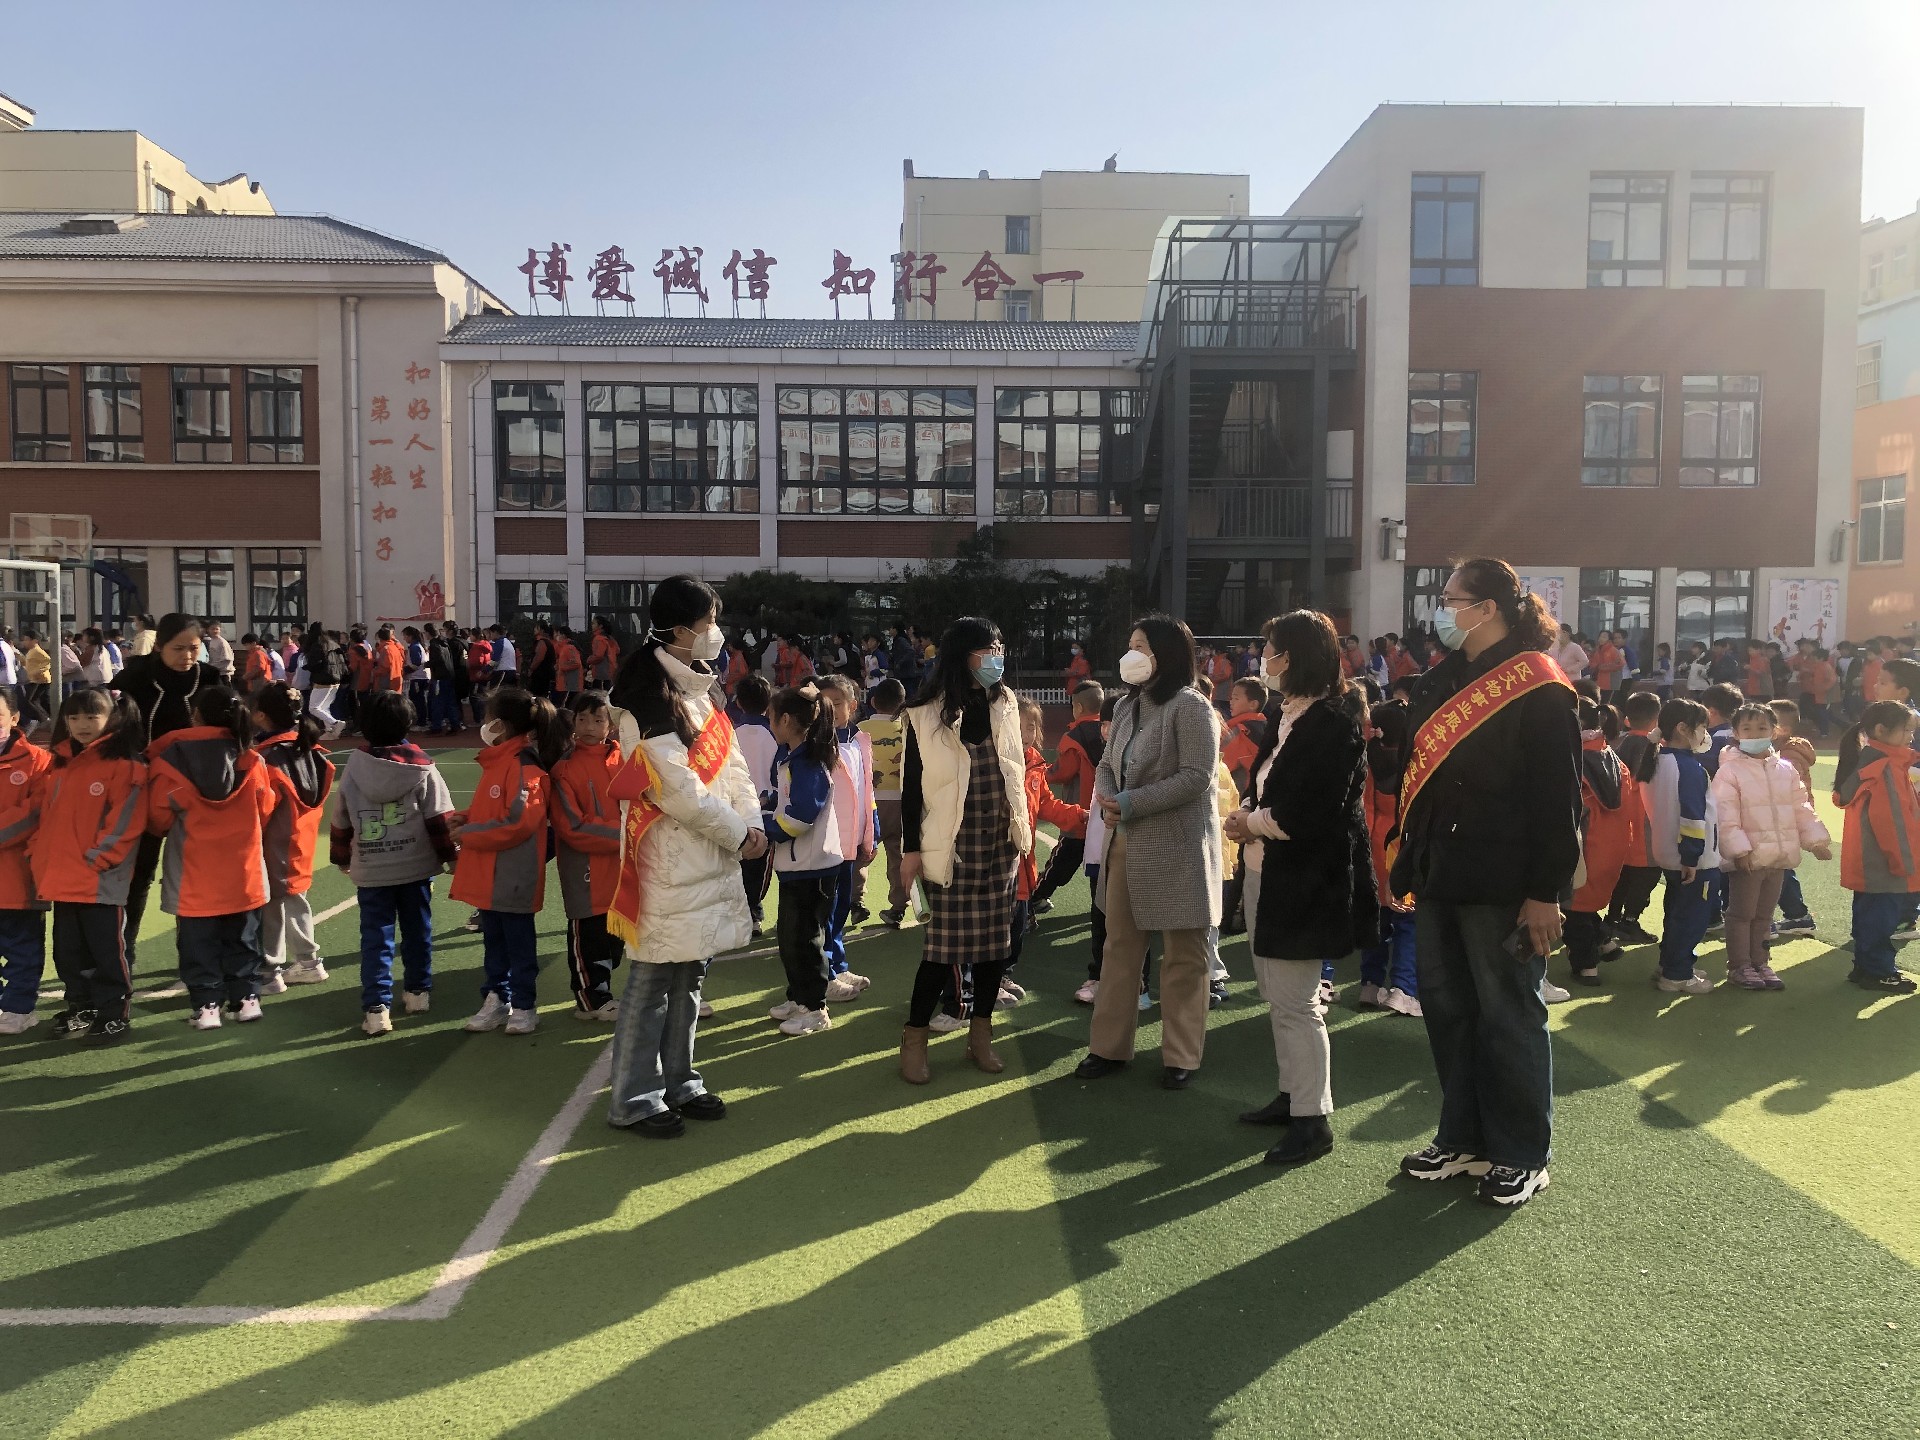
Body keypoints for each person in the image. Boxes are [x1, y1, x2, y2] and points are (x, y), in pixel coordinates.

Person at [1391, 559, 1580, 1209]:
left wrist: (1545, 892)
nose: (1441, 611)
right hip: (1440, 874)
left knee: (1509, 1016)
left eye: (1451, 600)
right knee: (1449, 1012)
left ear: (1488, 607)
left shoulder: (1540, 686)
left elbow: (1559, 801)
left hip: (1505, 882)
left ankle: (1523, 1153)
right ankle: (1463, 1138)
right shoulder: (1440, 680)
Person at [604, 574, 763, 1137]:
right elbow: (676, 791)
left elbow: (735, 767)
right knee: (652, 981)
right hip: (668, 861)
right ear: (678, 630)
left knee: (691, 975)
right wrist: (738, 834)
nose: (716, 632)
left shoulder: (703, 690)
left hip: (711, 853)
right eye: (708, 623)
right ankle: (633, 1098)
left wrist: (750, 821)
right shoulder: (643, 700)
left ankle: (680, 1081)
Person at [1224, 611, 1375, 1165]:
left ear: (1294, 656)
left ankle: (1313, 1120)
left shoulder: (1332, 723)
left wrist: (1251, 822)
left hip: (1306, 880)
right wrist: (1248, 813)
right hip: (1269, 872)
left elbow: (1313, 812)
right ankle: (1293, 1096)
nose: (1263, 658)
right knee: (1277, 994)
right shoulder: (1289, 714)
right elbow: (1267, 786)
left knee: (1297, 1002)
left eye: (1271, 649)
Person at [1075, 613, 1221, 1090]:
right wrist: (1109, 798)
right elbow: (1107, 765)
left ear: (1166, 653)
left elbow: (1197, 777)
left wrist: (1130, 802)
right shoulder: (1125, 706)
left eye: (1140, 646)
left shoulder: (1191, 706)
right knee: (1119, 949)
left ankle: (1182, 1055)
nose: (1131, 654)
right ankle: (1108, 1047)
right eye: (1131, 644)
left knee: (1183, 956)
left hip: (1178, 849)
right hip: (1126, 844)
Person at [897, 616, 1031, 1085]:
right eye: (988, 649)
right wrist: (910, 850)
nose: (997, 657)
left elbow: (1014, 767)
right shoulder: (923, 713)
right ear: (963, 655)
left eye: (1000, 647)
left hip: (1000, 844)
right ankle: (914, 1039)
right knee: (941, 951)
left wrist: (1021, 827)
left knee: (995, 950)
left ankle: (981, 1036)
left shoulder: (1005, 701)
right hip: (949, 845)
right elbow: (911, 788)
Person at [146, 684, 281, 1030]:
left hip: (193, 870)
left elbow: (159, 816)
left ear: (196, 716)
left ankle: (206, 1005)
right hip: (243, 868)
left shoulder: (170, 760)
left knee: (197, 943)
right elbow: (265, 807)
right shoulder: (251, 758)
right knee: (244, 938)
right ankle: (247, 999)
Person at [330, 691, 457, 1035]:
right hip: (415, 866)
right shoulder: (423, 766)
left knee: (376, 938)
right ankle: (417, 992)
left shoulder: (355, 766)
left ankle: (376, 1007)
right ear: (408, 722)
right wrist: (451, 857)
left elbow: (341, 817)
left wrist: (342, 856)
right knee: (418, 932)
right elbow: (440, 818)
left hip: (372, 867)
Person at [30, 690, 147, 1044]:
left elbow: (126, 821)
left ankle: (114, 1013)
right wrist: (38, 852)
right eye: (74, 717)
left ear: (112, 718)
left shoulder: (126, 766)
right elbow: (48, 818)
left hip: (99, 880)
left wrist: (101, 857)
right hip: (61, 876)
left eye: (92, 716)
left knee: (107, 953)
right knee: (68, 953)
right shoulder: (62, 765)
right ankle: (81, 1007)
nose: (81, 725)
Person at [113, 613, 227, 975]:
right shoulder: (133, 677)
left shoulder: (210, 679)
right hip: (143, 790)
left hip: (197, 793)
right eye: (178, 648)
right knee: (139, 874)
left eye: (194, 648)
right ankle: (124, 951)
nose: (187, 656)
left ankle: (200, 957)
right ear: (159, 646)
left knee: (196, 873)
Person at [453, 686, 568, 1036]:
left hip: (513, 874)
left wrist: (469, 833)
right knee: (494, 943)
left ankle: (524, 1005)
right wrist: (465, 817)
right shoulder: (500, 761)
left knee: (518, 946)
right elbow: (495, 810)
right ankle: (496, 999)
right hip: (491, 874)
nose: (483, 724)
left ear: (500, 725)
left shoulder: (524, 767)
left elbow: (518, 822)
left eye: (488, 717)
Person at [1711, 703, 1830, 991]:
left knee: (1765, 915)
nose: (1755, 734)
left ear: (1774, 731)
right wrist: (1739, 850)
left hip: (1778, 856)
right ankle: (1740, 966)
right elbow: (1725, 815)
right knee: (1742, 914)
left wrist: (1815, 841)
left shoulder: (1785, 770)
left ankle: (1760, 962)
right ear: (1736, 733)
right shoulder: (1730, 772)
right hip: (1749, 858)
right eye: (1747, 728)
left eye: (1762, 728)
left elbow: (1801, 807)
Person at [763, 682, 846, 1035]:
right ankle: (799, 997)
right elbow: (788, 803)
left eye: (771, 717)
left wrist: (764, 827)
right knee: (790, 938)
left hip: (813, 867)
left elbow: (799, 819)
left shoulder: (809, 763)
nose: (769, 723)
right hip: (798, 865)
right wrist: (767, 805)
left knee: (806, 941)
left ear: (785, 720)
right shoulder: (794, 758)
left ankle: (815, 1009)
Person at [252, 682, 335, 996]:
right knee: (294, 898)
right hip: (302, 835)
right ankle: (308, 962)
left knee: (271, 905)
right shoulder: (309, 748)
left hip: (275, 839)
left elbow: (262, 806)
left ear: (261, 716)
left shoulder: (268, 757)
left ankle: (269, 972)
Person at [1834, 700, 1920, 994]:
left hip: (1871, 859)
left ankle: (1866, 966)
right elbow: (1891, 821)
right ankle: (1879, 971)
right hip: (1885, 860)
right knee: (1882, 919)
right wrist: (1903, 860)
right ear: (1881, 730)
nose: (1911, 736)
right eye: (1906, 730)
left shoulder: (1875, 763)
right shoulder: (1885, 768)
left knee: (1869, 914)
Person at [551, 692, 625, 1022]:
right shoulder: (565, 769)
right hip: (587, 871)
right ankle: (591, 999)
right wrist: (626, 835)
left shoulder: (626, 760)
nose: (589, 726)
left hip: (622, 869)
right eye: (582, 719)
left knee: (614, 940)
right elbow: (572, 827)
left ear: (611, 725)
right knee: (589, 936)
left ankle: (601, 991)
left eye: (598, 720)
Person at [1647, 698, 1720, 995]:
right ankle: (1677, 973)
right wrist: (1691, 856)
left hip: (1668, 851)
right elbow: (1692, 815)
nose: (1704, 734)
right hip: (1693, 858)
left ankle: (1670, 964)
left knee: (1676, 912)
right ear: (1682, 728)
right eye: (1701, 726)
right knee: (1691, 918)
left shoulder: (1657, 760)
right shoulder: (1688, 766)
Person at [1562, 697, 1636, 987]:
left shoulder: (1574, 761)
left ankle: (1587, 967)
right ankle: (1605, 941)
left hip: (1585, 847)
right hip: (1612, 846)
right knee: (1587, 903)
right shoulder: (1612, 756)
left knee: (1573, 909)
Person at [817, 674, 875, 989]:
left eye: (837, 703)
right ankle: (826, 973)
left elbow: (867, 788)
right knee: (826, 908)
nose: (831, 710)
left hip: (851, 838)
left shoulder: (860, 740)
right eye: (824, 703)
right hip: (826, 841)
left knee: (840, 906)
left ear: (852, 706)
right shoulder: (815, 743)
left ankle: (838, 964)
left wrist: (871, 829)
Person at [0, 689, 51, 1035]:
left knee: (22, 949)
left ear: (15, 718)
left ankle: (19, 1009)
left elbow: (35, 812)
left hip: (19, 877)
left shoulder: (38, 761)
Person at [1606, 690, 1665, 947]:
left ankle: (1612, 919)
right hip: (1644, 821)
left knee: (1624, 874)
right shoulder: (1651, 747)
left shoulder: (1618, 743)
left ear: (1628, 718)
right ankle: (1629, 921)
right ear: (1657, 718)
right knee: (1647, 874)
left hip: (1621, 820)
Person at [857, 677, 909, 928]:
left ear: (873, 701)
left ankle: (855, 901)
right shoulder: (907, 729)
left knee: (861, 852)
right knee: (897, 855)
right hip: (901, 803)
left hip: (869, 803)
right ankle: (899, 906)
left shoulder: (860, 729)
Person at [1768, 699, 1821, 936]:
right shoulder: (1787, 751)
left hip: (1785, 819)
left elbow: (1785, 790)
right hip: (1784, 818)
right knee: (1779, 866)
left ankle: (1795, 915)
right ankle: (1796, 915)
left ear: (1783, 729)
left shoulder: (1789, 756)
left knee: (1777, 867)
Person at [732, 673, 778, 930]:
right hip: (765, 810)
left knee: (736, 863)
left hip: (735, 810)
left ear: (738, 702)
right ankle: (753, 912)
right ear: (768, 703)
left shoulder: (730, 733)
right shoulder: (774, 734)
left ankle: (742, 913)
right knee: (759, 865)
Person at [1220, 676, 1268, 793]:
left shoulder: (1239, 731)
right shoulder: (1268, 727)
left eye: (1236, 698)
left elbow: (1220, 766)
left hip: (1240, 795)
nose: (1231, 702)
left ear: (1253, 704)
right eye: (1231, 698)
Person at [589, 616, 621, 690]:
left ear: (600, 626)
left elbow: (599, 656)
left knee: (599, 694)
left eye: (593, 623)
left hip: (601, 674)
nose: (592, 625)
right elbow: (617, 650)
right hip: (611, 671)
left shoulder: (598, 639)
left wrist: (589, 660)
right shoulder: (610, 638)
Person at [554, 625, 585, 702]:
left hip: (569, 685)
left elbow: (576, 663)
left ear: (563, 635)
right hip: (567, 684)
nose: (556, 636)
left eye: (558, 634)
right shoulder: (565, 647)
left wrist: (561, 666)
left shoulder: (569, 647)